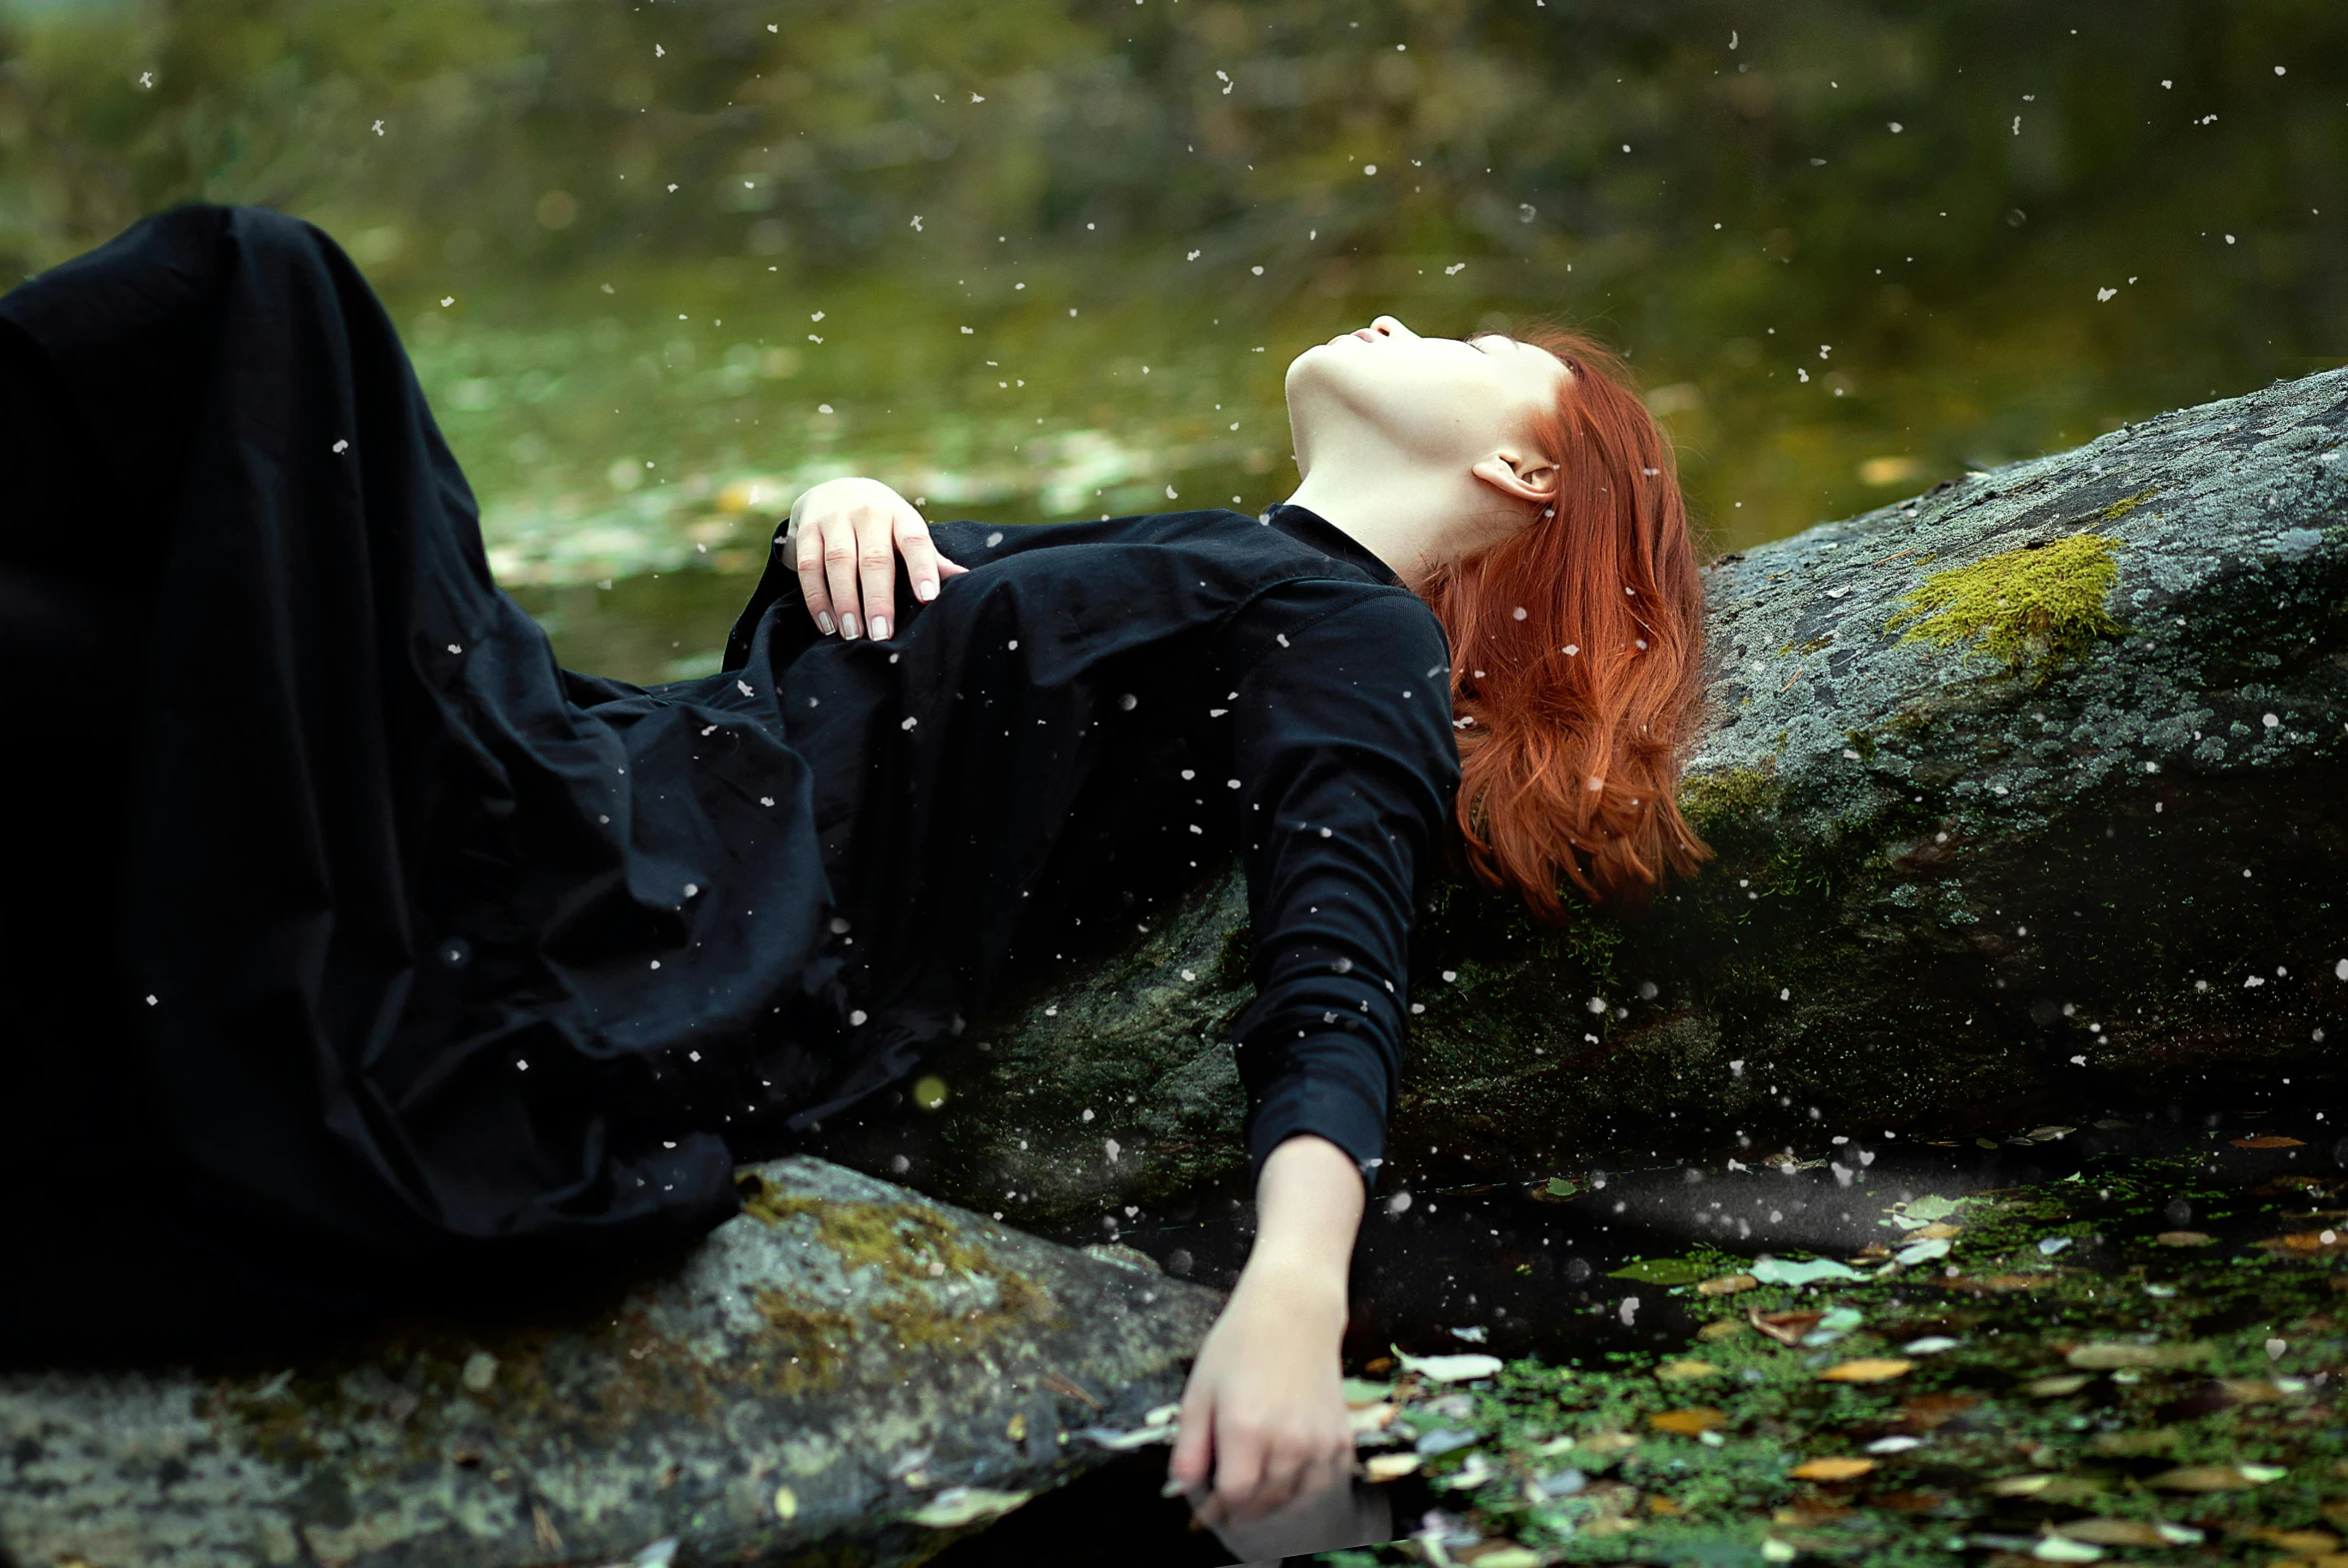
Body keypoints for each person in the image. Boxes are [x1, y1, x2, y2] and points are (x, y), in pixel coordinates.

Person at [0, 205, 1711, 1531]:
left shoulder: (1350, 640)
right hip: (603, 783)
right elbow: (865, 701)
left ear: (1519, 472)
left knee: (257, 287)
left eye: (1477, 339)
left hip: (621, 897)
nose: (1410, 312)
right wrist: (842, 508)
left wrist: (1286, 1292)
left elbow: (1332, 967)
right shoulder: (1198, 553)